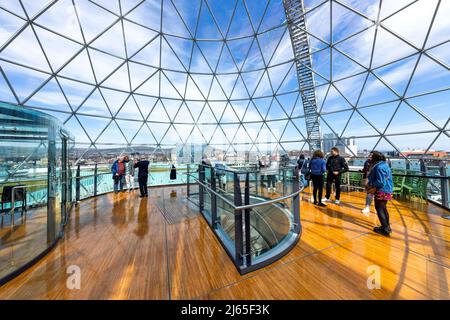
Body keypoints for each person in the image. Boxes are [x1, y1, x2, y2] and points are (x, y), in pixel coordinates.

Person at [366, 151, 393, 237]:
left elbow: (380, 182)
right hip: (387, 189)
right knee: (383, 208)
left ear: (375, 157)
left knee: (379, 209)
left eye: (371, 156)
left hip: (381, 190)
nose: (370, 157)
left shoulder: (379, 167)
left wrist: (371, 187)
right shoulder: (384, 164)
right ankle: (386, 226)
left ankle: (385, 229)